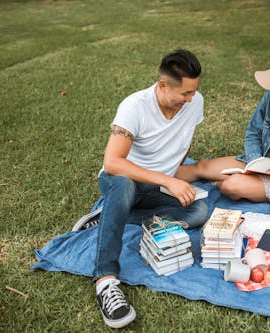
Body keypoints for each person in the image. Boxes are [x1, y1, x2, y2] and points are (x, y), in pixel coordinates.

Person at [72, 49, 208, 329]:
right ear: (162, 85)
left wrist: (174, 173)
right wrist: (167, 180)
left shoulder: (195, 103)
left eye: (194, 91)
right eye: (184, 93)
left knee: (198, 210)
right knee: (121, 187)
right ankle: (105, 281)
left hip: (156, 188)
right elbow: (112, 163)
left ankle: (109, 215)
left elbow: (183, 142)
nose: (191, 99)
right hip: (124, 181)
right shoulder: (134, 106)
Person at [177, 48, 270, 206]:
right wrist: (255, 163)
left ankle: (222, 181)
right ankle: (156, 181)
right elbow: (253, 133)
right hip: (260, 164)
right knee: (200, 166)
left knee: (230, 186)